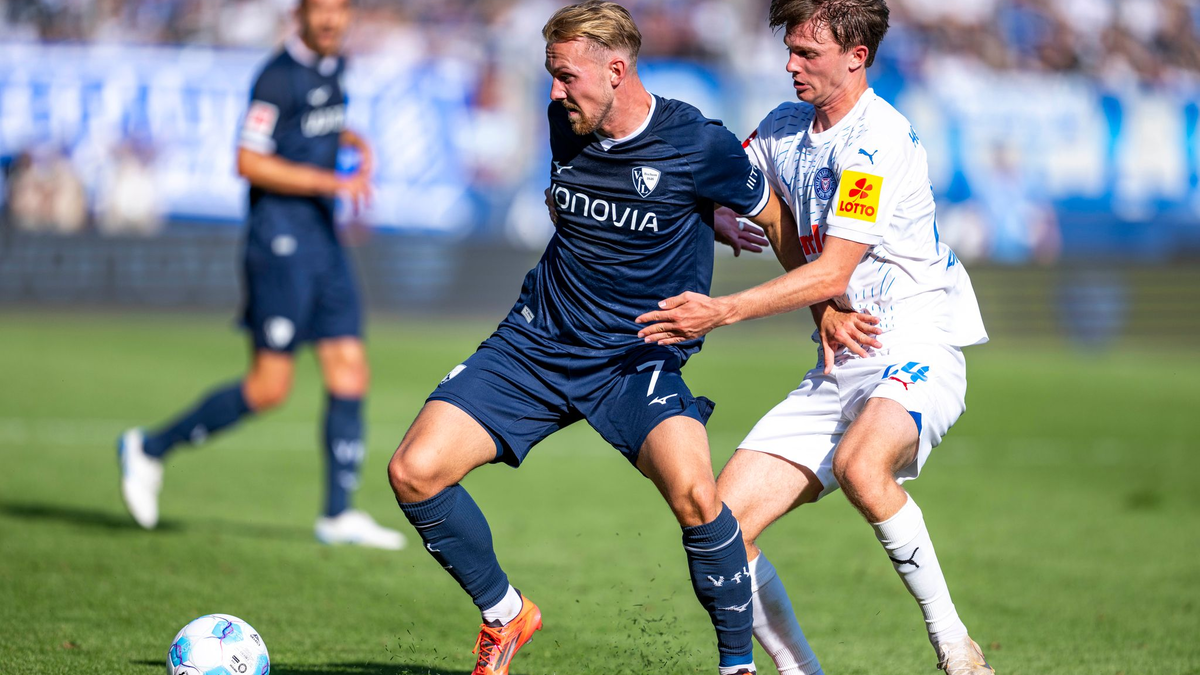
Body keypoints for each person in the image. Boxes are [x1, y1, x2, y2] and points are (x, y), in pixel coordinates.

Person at [386, 3, 795, 673]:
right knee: (414, 471)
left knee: (697, 495)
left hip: (636, 356)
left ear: (617, 68)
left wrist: (822, 306)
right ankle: (507, 614)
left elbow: (773, 219)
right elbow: (570, 200)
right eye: (550, 75)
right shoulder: (564, 123)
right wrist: (691, 216)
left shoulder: (698, 144)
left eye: (566, 76)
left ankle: (737, 666)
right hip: (537, 342)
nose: (554, 92)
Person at [634, 1, 996, 673]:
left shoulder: (876, 140)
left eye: (807, 54)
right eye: (790, 50)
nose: (790, 64)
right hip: (840, 358)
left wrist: (721, 310)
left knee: (864, 466)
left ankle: (956, 646)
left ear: (856, 57)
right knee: (721, 532)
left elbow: (834, 267)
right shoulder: (781, 128)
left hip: (915, 345)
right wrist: (718, 216)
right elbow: (719, 189)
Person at [117, 0, 404, 551]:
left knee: (350, 370)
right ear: (299, 13)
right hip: (280, 240)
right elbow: (248, 162)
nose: (330, 20)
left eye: (340, 9)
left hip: (323, 238)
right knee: (269, 387)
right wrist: (330, 184)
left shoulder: (336, 65)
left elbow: (314, 131)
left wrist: (352, 141)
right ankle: (150, 447)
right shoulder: (275, 77)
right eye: (320, 10)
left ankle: (338, 514)